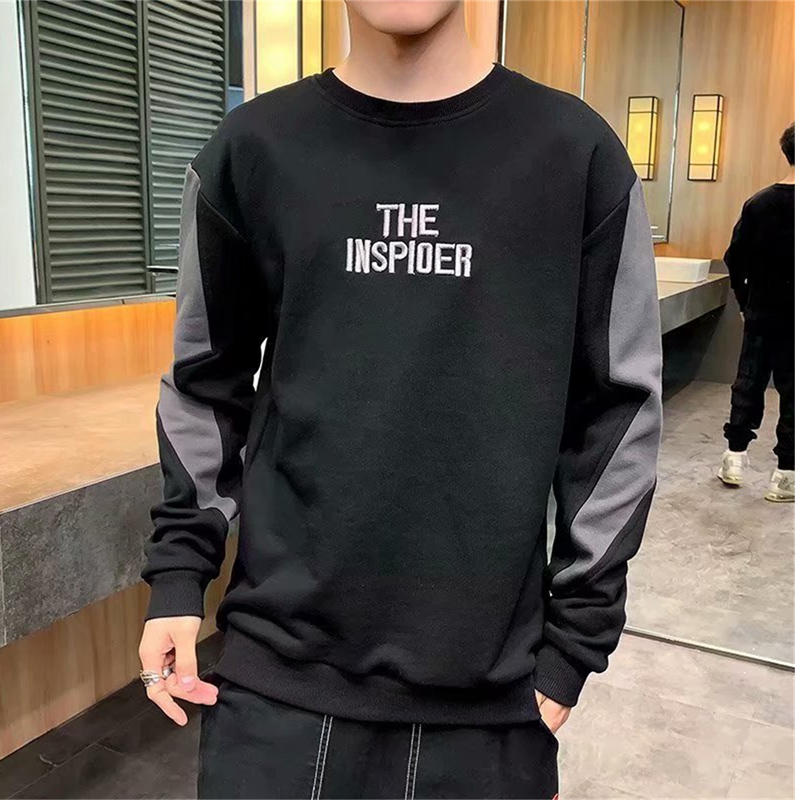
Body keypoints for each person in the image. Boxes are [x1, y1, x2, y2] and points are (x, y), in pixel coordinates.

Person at [138, 2, 662, 797]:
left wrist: (575, 642)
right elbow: (204, 382)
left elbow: (618, 412)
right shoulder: (254, 150)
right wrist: (181, 569)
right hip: (276, 689)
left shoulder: (575, 155)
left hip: (492, 702)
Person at [718, 123, 794, 502]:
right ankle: (786, 475)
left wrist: (745, 301)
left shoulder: (758, 204)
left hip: (761, 311)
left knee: (748, 382)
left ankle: (734, 457)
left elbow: (735, 258)